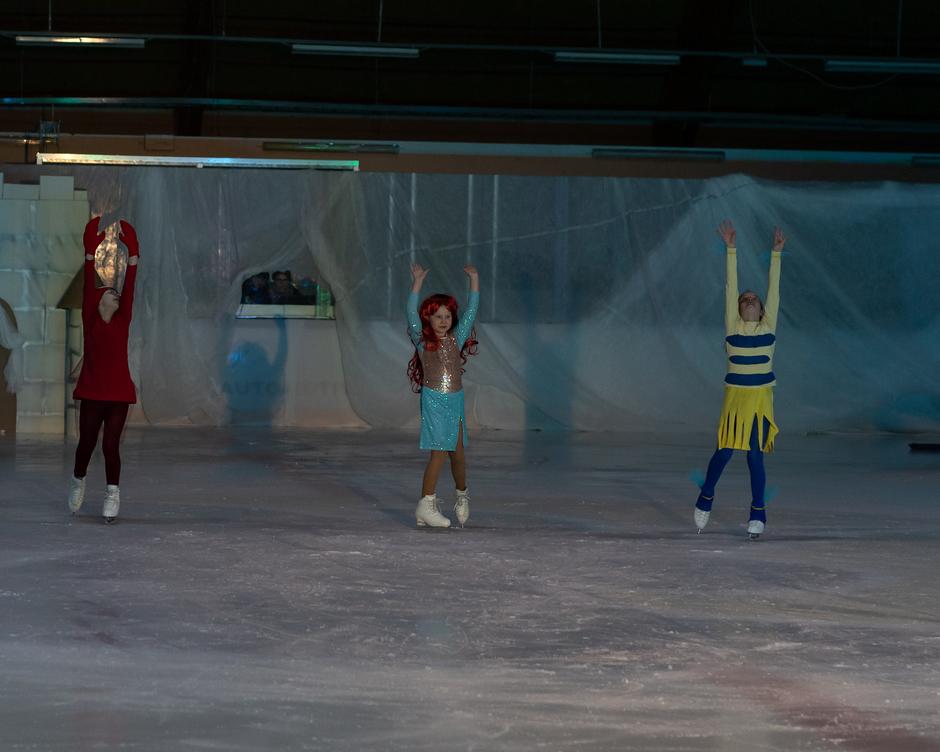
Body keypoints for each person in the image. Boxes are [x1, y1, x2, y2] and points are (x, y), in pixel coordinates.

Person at [694, 220, 785, 540]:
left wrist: (776, 255)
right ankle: (706, 495)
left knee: (754, 455)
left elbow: (774, 291)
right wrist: (731, 249)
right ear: (736, 309)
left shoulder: (768, 328)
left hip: (760, 400)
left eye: (754, 299)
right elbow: (730, 286)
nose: (748, 300)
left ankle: (758, 512)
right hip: (736, 399)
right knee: (724, 452)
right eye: (744, 299)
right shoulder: (732, 327)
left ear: (761, 311)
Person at [67, 216, 140, 524]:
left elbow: (130, 285)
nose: (116, 293)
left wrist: (132, 254)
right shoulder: (90, 319)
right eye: (110, 292)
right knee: (86, 443)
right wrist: (90, 252)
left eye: (116, 292)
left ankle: (112, 494)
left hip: (119, 393)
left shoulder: (122, 320)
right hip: (93, 391)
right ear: (99, 302)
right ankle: (78, 479)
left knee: (111, 445)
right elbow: (88, 283)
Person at [407, 263, 480, 528]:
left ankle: (462, 495)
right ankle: (426, 504)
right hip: (434, 399)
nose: (443, 321)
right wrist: (417, 283)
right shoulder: (422, 340)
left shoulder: (456, 339)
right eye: (437, 316)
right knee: (438, 451)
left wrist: (474, 279)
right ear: (427, 318)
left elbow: (471, 311)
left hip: (455, 399)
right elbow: (410, 312)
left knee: (457, 455)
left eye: (447, 316)